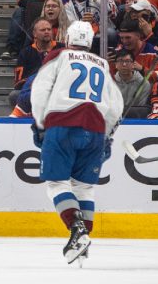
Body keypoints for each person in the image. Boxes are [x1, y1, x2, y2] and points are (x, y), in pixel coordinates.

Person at [30, 20, 124, 264]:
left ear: (68, 39)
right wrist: (107, 135)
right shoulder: (103, 64)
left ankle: (77, 229)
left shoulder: (59, 55)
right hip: (94, 130)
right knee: (84, 187)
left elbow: (40, 90)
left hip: (63, 125)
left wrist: (40, 123)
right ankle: (83, 240)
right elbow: (116, 106)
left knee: (56, 183)